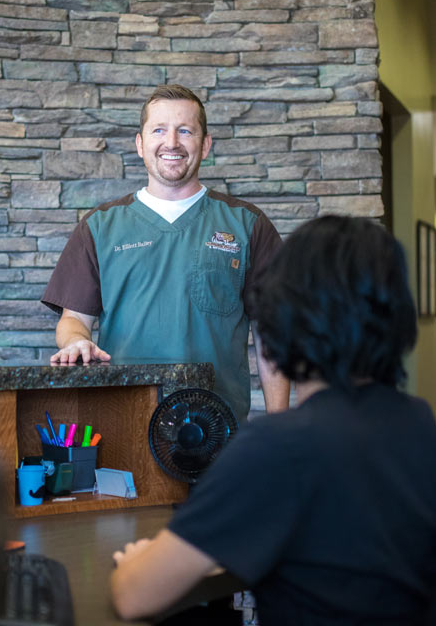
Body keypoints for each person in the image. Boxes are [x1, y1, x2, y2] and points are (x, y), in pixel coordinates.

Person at [110, 216, 436, 625]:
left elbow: (134, 596)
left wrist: (138, 559)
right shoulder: (422, 424)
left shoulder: (277, 449)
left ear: (286, 318)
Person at [41, 85, 290, 421]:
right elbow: (73, 320)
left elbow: (272, 336)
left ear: (205, 144)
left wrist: (279, 428)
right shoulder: (100, 226)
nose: (171, 142)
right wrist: (75, 342)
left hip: (216, 430)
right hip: (124, 423)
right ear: (141, 144)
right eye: (159, 130)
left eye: (185, 130)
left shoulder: (247, 225)